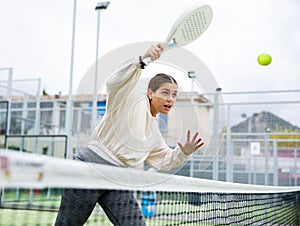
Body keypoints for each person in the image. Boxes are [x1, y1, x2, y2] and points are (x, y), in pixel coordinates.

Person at [55, 43, 204, 226]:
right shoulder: (130, 98)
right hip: (89, 168)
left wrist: (184, 152)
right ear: (150, 93)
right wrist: (142, 61)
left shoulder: (153, 133)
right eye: (165, 92)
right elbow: (115, 83)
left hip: (117, 177)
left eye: (174, 95)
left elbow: (166, 159)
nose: (170, 99)